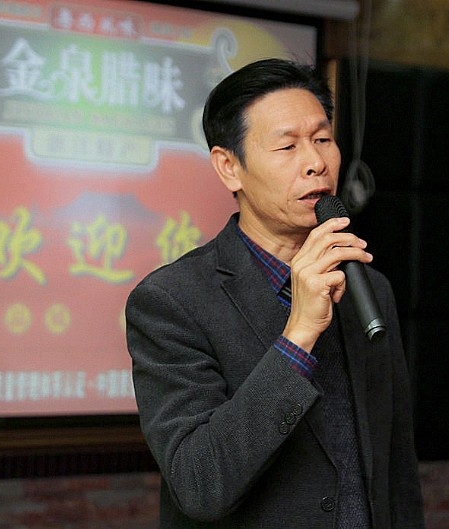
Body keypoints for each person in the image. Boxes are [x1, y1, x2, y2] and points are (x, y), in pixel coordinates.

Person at [125, 58, 425, 529]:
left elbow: (396, 468)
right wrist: (299, 334)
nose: (316, 163)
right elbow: (200, 485)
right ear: (229, 167)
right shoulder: (171, 302)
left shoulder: (369, 288)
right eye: (287, 146)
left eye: (323, 140)